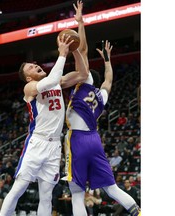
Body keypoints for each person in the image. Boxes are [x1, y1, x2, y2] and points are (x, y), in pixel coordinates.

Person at [62, 1, 141, 216]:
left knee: (77, 192)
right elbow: (108, 81)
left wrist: (80, 22)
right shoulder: (100, 95)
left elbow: (84, 49)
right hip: (95, 140)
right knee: (111, 188)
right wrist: (108, 61)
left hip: (77, 139)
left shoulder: (84, 79)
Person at [0, 33, 89, 216]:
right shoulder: (30, 88)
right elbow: (52, 80)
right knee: (19, 188)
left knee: (46, 196)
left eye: (36, 64)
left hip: (54, 145)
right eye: (32, 67)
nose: (37, 66)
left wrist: (75, 50)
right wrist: (62, 54)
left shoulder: (57, 82)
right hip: (37, 143)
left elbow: (83, 74)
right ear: (29, 78)